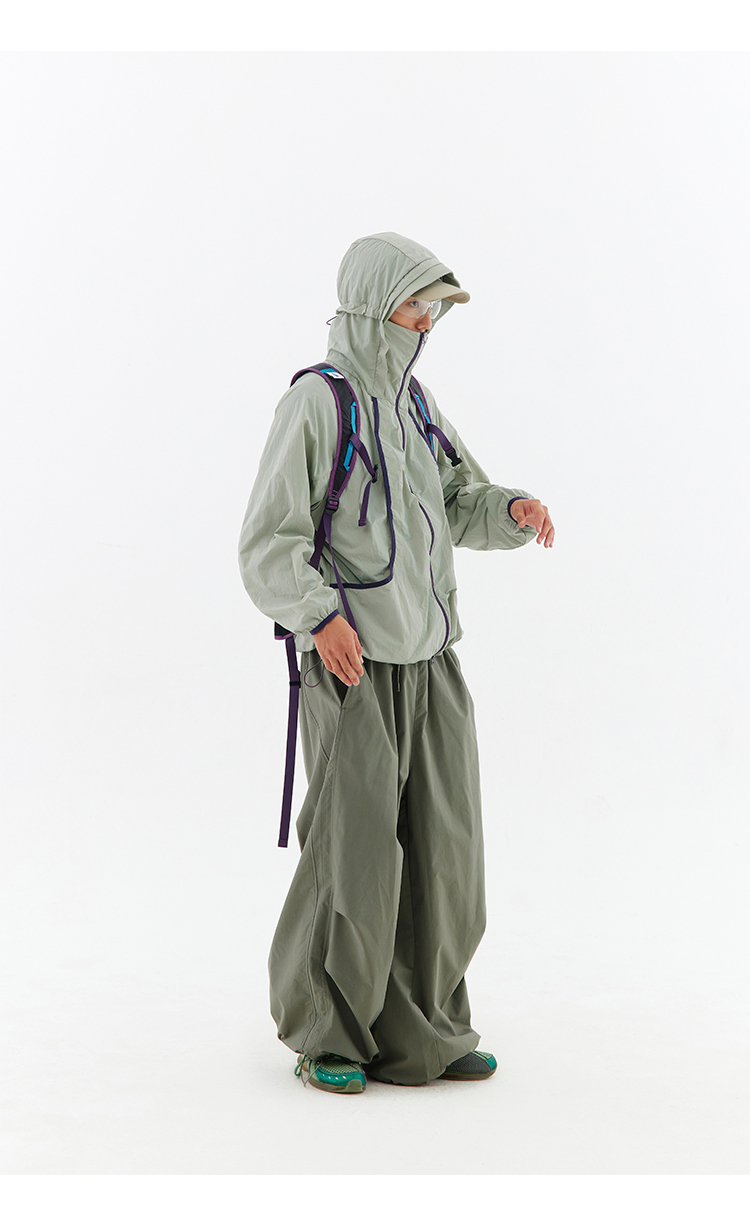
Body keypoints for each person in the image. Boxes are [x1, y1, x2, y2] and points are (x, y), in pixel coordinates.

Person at [238, 231, 554, 1094]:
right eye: (415, 304)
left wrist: (511, 510)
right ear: (373, 303)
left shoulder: (416, 403)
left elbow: (457, 500)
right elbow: (268, 541)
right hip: (352, 664)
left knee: (447, 852)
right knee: (357, 857)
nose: (425, 321)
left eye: (434, 308)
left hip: (432, 661)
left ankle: (426, 1031)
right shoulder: (317, 402)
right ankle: (328, 1033)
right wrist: (318, 618)